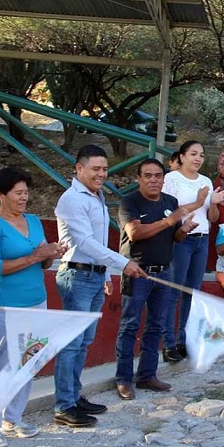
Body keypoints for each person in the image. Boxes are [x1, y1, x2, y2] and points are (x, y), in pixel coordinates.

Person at [53, 145, 145, 428]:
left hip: (93, 276)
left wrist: (105, 275)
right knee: (71, 344)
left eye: (104, 169)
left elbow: (99, 241)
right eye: (95, 169)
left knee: (83, 344)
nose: (101, 174)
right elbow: (85, 243)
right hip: (76, 276)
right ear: (78, 169)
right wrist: (122, 263)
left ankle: (74, 396)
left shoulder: (98, 197)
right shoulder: (71, 200)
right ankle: (63, 405)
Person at [0, 167, 66, 447]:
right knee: (1, 364)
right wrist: (34, 256)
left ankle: (12, 418)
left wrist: (50, 254)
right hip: (6, 304)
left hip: (36, 300)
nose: (24, 197)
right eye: (18, 193)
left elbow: (43, 261)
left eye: (26, 192)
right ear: (0, 195)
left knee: (29, 362)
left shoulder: (33, 221)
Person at [115, 158, 199, 400]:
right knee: (130, 325)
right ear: (139, 179)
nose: (153, 180)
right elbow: (134, 233)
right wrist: (169, 221)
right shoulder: (130, 201)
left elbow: (176, 238)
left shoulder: (170, 202)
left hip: (164, 271)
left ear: (164, 179)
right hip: (137, 271)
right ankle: (123, 379)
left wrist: (183, 229)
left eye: (158, 176)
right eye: (148, 175)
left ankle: (147, 375)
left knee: (156, 326)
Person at [162, 141, 224, 362]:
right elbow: (168, 211)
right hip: (181, 239)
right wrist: (199, 201)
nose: (198, 158)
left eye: (201, 155)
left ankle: (184, 338)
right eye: (193, 154)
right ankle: (168, 342)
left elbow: (211, 218)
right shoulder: (172, 179)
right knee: (174, 291)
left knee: (191, 293)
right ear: (182, 157)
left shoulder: (206, 181)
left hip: (202, 240)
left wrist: (213, 202)